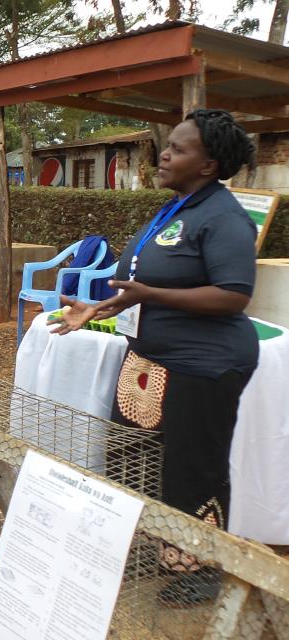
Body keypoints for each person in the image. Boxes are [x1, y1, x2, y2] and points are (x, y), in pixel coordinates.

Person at [49, 109, 259, 606]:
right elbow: (141, 286)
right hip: (148, 359)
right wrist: (96, 307)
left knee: (194, 469)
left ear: (208, 166)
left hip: (203, 364)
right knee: (134, 458)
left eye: (179, 149)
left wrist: (151, 294)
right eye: (169, 145)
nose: (164, 154)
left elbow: (233, 296)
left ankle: (203, 565)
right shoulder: (176, 209)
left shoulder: (223, 217)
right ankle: (157, 547)